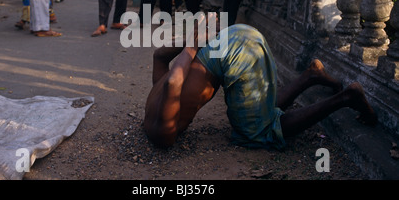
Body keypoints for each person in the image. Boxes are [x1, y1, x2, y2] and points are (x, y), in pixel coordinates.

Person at [143, 20, 378, 149]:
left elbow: (174, 82)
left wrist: (193, 44)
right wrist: (199, 41)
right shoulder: (154, 97)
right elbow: (159, 56)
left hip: (236, 53)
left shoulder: (163, 134)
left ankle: (346, 98)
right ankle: (311, 76)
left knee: (258, 132)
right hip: (234, 35)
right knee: (257, 113)